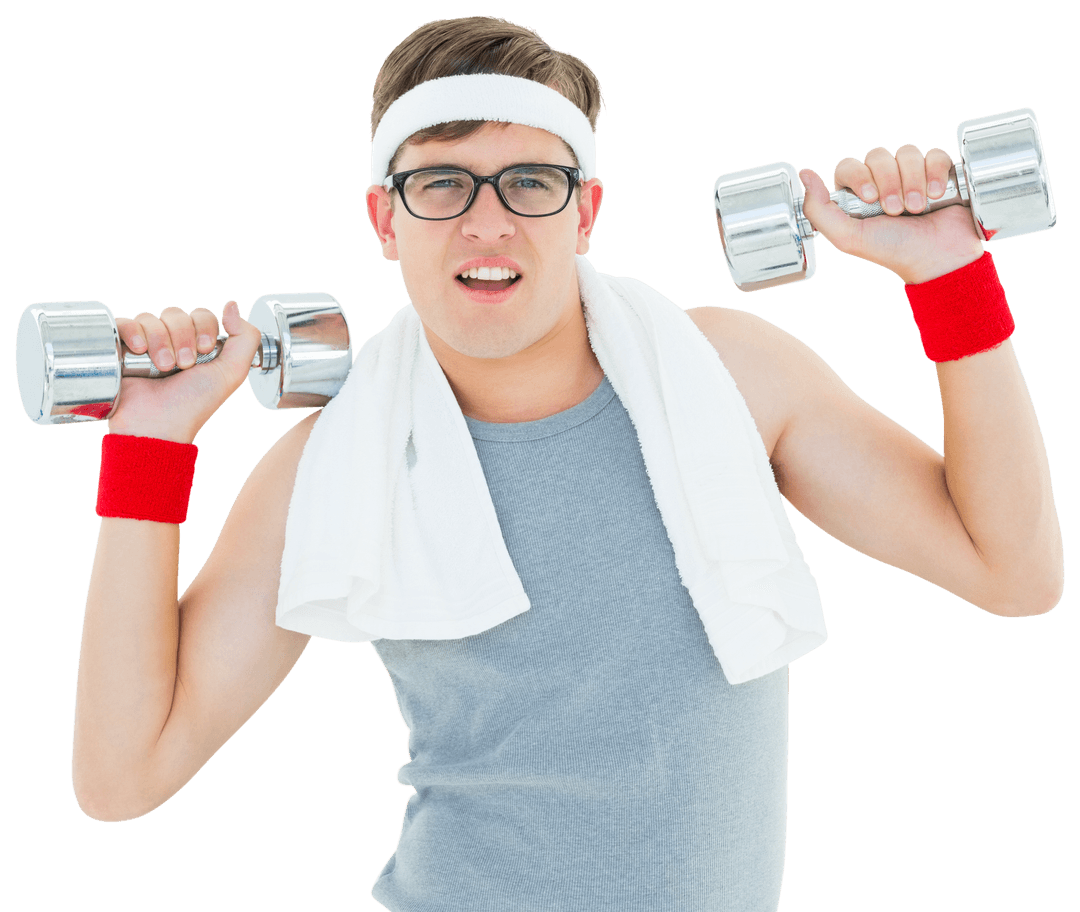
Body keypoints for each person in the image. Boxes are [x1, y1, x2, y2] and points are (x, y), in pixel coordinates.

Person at [70, 15, 1063, 912]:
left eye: (531, 183)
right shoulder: (330, 464)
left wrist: (949, 275)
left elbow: (1012, 571)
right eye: (441, 182)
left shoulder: (731, 374)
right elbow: (122, 775)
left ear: (584, 213)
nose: (486, 221)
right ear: (386, 219)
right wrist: (150, 445)